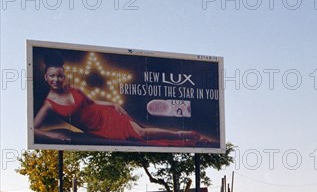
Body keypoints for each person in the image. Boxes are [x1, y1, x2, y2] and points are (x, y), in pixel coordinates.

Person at [34, 52, 206, 143]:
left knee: (141, 132)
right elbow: (32, 129)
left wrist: (113, 104)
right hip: (98, 129)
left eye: (60, 76)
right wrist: (52, 136)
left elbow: (93, 102)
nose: (56, 80)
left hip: (107, 115)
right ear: (45, 77)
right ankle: (181, 135)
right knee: (141, 135)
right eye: (52, 76)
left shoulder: (73, 88)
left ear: (64, 76)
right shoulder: (48, 105)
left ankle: (182, 134)